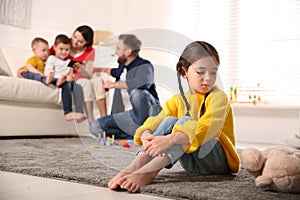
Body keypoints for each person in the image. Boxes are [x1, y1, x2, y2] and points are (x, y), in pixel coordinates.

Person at [107, 41, 241, 193]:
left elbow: (206, 128)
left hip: (218, 161)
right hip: (192, 163)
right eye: (201, 72)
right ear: (184, 72)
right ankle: (137, 164)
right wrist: (146, 135)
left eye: (213, 72)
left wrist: (170, 139)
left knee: (187, 122)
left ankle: (150, 171)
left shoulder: (219, 97)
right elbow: (156, 121)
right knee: (169, 120)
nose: (208, 78)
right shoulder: (178, 100)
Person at [90, 34, 161, 139]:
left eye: (118, 48)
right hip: (129, 116)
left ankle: (145, 131)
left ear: (128, 52)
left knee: (138, 93)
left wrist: (113, 85)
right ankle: (135, 135)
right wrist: (99, 70)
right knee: (95, 127)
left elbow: (143, 83)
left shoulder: (145, 65)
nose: (115, 52)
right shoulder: (123, 67)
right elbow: (116, 72)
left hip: (148, 115)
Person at [49, 25, 107, 124]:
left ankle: (105, 119)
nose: (74, 42)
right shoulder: (64, 43)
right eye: (74, 37)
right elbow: (46, 58)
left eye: (80, 41)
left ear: (87, 43)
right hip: (70, 78)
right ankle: (91, 120)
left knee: (98, 81)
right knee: (85, 83)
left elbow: (88, 74)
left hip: (82, 76)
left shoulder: (90, 51)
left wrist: (80, 69)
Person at [45, 34, 86, 122]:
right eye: (61, 49)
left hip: (65, 80)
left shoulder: (69, 62)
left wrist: (71, 77)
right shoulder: (52, 58)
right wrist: (63, 78)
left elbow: (70, 74)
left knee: (78, 87)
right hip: (54, 79)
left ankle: (79, 112)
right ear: (55, 47)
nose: (64, 52)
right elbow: (47, 72)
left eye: (67, 50)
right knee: (66, 84)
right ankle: (68, 113)